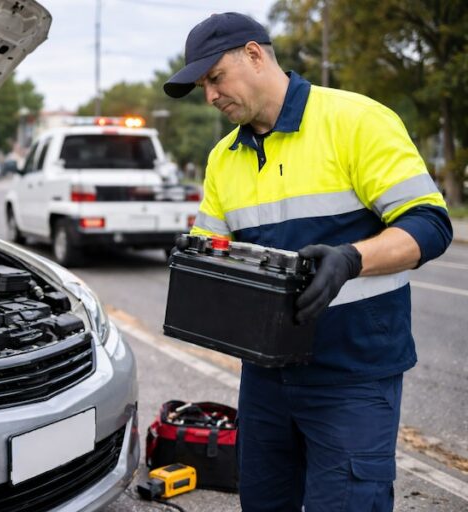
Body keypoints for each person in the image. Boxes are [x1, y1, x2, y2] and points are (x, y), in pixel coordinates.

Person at [164, 12, 452, 512]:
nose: (210, 96)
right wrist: (197, 265)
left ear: (254, 54)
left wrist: (351, 259)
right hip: (265, 379)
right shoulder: (223, 159)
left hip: (353, 376)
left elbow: (430, 224)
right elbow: (210, 251)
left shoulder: (356, 120)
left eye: (215, 78)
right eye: (203, 86)